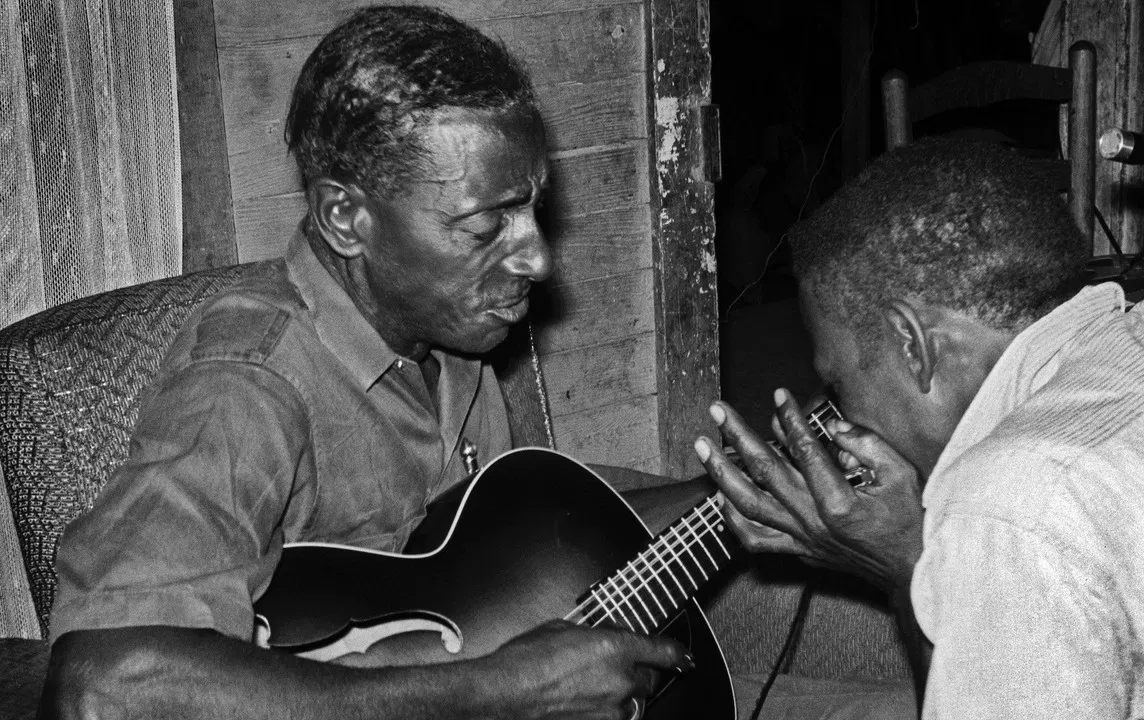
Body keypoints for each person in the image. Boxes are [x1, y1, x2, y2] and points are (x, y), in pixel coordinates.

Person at [41, 6, 707, 718]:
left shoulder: (455, 341)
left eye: (534, 210)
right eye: (487, 225)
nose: (538, 256)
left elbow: (507, 570)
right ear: (345, 219)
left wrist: (731, 499)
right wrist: (498, 693)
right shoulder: (247, 384)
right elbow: (100, 688)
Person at [695, 137, 1144, 718]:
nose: (841, 416)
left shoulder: (1009, 500)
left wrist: (904, 565)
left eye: (840, 386)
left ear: (912, 343)